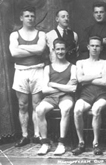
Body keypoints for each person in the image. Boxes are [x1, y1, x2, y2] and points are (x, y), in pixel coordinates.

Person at [9, 6, 46, 147]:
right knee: (22, 105)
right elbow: (14, 53)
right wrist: (34, 50)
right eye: (27, 16)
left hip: (37, 70)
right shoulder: (15, 35)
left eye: (32, 16)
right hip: (21, 71)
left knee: (37, 104)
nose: (30, 18)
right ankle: (25, 135)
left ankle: (37, 134)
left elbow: (41, 49)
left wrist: (22, 48)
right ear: (21, 18)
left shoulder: (41, 34)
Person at [36, 38, 77, 155]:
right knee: (39, 110)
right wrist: (64, 86)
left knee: (65, 109)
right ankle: (45, 143)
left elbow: (73, 89)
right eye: (57, 49)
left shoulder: (72, 67)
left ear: (67, 50)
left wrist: (53, 84)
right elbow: (44, 89)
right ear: (53, 50)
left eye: (62, 49)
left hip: (66, 97)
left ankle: (61, 143)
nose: (60, 52)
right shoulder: (48, 68)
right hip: (51, 97)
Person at [72, 36, 106, 156]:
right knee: (77, 109)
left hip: (101, 94)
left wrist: (88, 78)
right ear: (88, 47)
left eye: (97, 46)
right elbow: (80, 79)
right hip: (85, 94)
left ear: (101, 48)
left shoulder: (105, 63)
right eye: (92, 45)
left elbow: (104, 82)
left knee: (96, 109)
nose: (94, 48)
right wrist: (97, 75)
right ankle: (81, 142)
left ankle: (96, 143)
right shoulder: (81, 62)